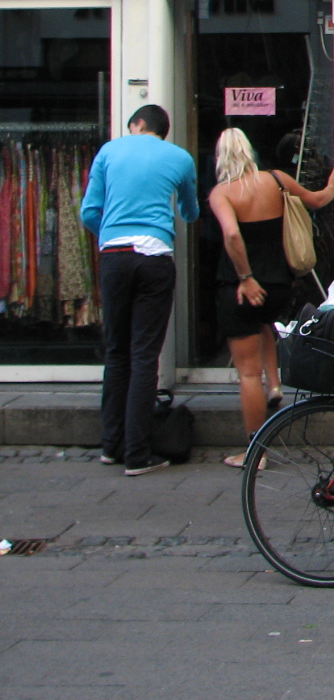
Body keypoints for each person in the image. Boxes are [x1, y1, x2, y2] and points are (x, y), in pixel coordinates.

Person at [208, 128, 334, 467]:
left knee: (247, 374)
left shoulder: (222, 193)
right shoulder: (276, 180)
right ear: (250, 151)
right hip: (280, 286)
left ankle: (255, 453)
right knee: (265, 326)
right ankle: (274, 385)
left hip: (242, 289)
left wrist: (245, 277)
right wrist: (333, 184)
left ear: (220, 157)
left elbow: (232, 235)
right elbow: (317, 201)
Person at [79, 104, 200, 476]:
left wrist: (112, 233)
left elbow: (88, 212)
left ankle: (111, 445)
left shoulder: (109, 151)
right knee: (145, 355)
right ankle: (137, 453)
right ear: (163, 131)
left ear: (137, 124)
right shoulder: (179, 158)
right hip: (153, 257)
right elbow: (191, 211)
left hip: (114, 256)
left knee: (116, 352)